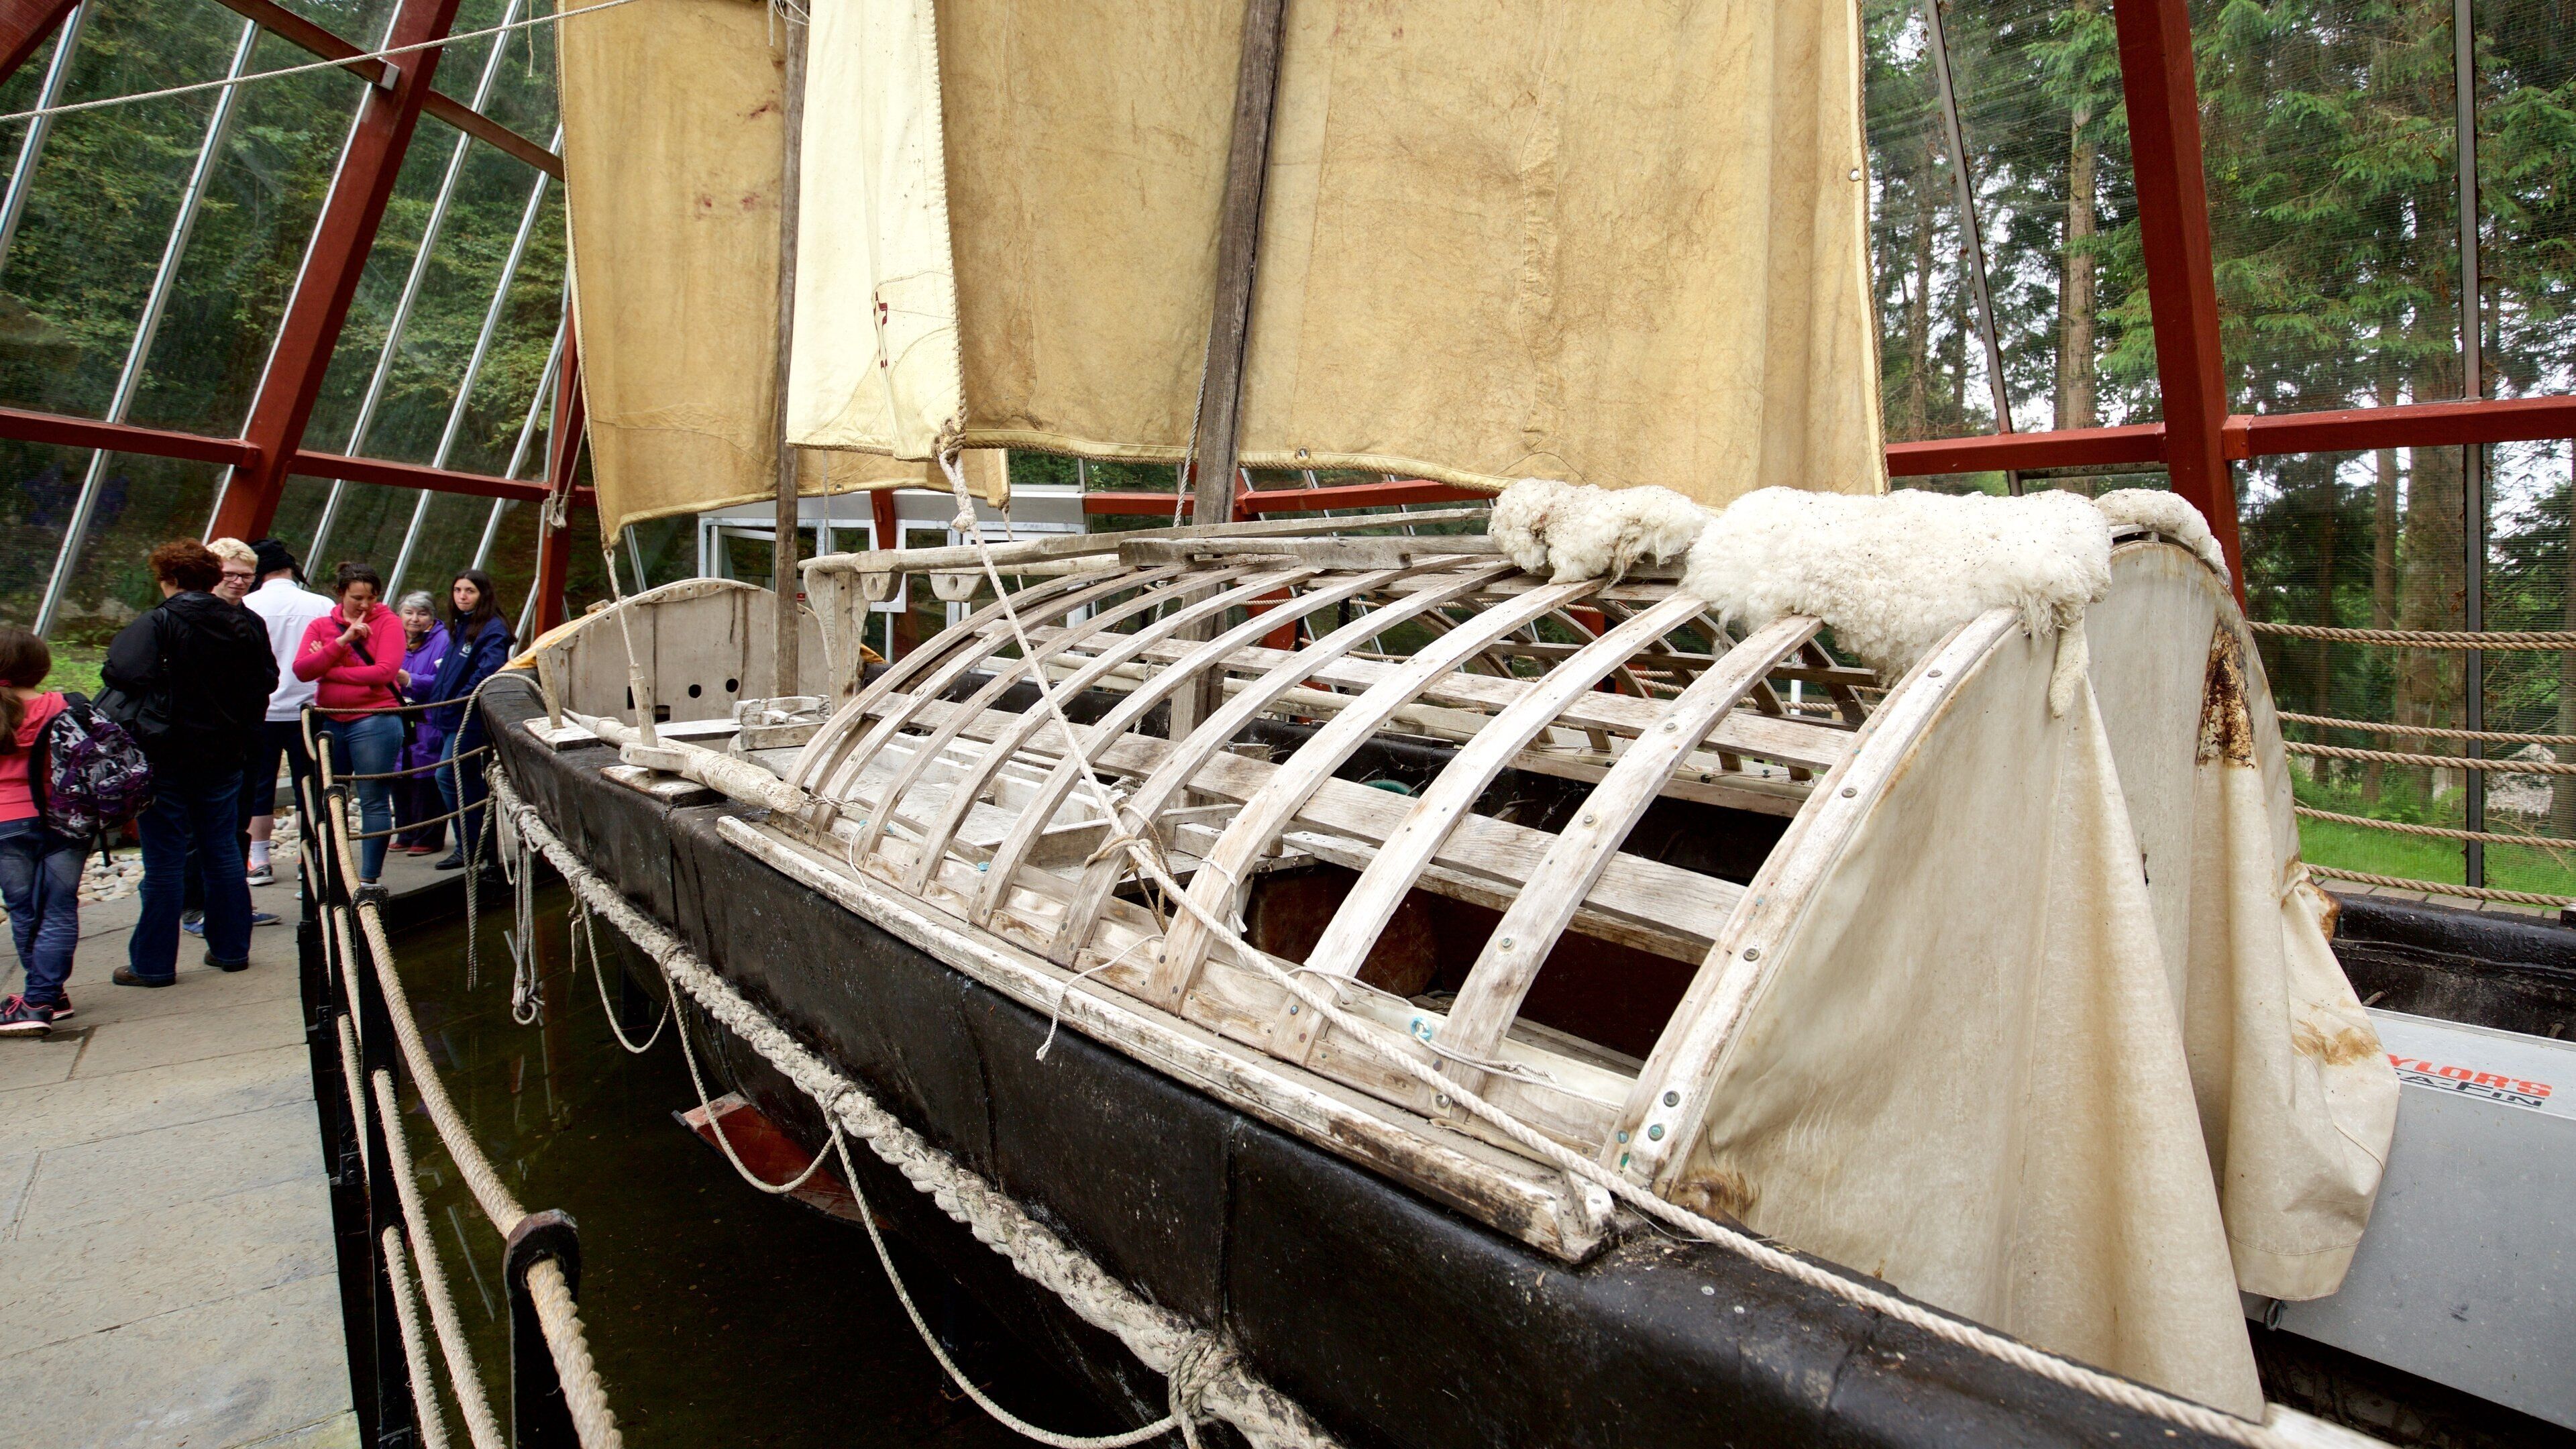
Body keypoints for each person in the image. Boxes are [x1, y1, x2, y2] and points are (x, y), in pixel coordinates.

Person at [101, 540, 276, 985]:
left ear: (169, 579)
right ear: (212, 578)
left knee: (164, 862)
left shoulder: (160, 621)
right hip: (226, 755)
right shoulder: (246, 623)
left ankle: (154, 963)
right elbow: (268, 680)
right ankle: (231, 948)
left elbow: (121, 672)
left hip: (167, 756)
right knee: (221, 850)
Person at [181, 537, 280, 933]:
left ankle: (232, 903)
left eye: (246, 576)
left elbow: (268, 674)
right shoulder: (188, 618)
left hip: (244, 736)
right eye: (231, 575)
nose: (239, 583)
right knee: (199, 826)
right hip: (202, 741)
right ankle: (194, 906)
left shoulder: (252, 621)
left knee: (237, 822)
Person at [294, 562, 406, 885]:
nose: (365, 605)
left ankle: (369, 878)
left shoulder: (388, 623)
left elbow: (384, 673)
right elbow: (302, 669)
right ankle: (330, 875)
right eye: (357, 597)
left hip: (375, 719)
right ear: (341, 594)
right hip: (330, 719)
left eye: (371, 597)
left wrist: (328, 668)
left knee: (373, 798)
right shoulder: (320, 625)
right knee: (330, 800)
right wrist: (341, 642)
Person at [243, 539, 334, 886]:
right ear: (290, 568)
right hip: (310, 709)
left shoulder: (247, 605)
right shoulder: (320, 605)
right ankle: (306, 859)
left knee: (258, 787)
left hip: (261, 712)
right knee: (309, 786)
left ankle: (259, 859)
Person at [0, 628, 77, 1033]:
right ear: (41, 667)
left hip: (6, 823)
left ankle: (40, 999)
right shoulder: (63, 705)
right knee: (60, 909)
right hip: (64, 819)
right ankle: (47, 994)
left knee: (24, 910)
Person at [427, 570, 513, 870]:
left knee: (451, 777)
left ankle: (473, 846)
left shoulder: (491, 629)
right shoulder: (460, 626)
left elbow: (487, 672)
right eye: (458, 590)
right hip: (451, 713)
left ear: (483, 594)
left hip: (469, 715)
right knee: (460, 779)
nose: (462, 596)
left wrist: (460, 699)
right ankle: (474, 845)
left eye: (470, 591)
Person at [392, 590, 450, 856]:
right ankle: (405, 831)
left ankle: (429, 836)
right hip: (397, 715)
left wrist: (410, 680)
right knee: (399, 772)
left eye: (422, 613)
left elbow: (443, 681)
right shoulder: (392, 637)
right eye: (409, 613)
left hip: (428, 717)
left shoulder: (443, 641)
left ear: (432, 617)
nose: (414, 619)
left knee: (426, 774)